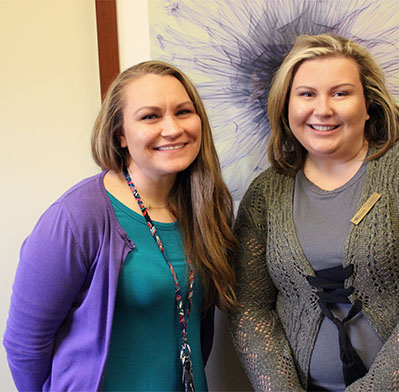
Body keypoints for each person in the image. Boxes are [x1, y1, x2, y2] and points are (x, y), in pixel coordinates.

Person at [229, 33, 399, 392]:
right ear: (286, 107)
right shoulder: (264, 194)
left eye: (341, 93)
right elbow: (250, 307)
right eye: (307, 94)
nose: (323, 109)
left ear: (367, 104)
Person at [4, 60, 237, 391]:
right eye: (150, 116)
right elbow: (23, 344)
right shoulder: (77, 216)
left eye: (183, 112)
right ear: (120, 134)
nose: (172, 128)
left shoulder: (206, 208)